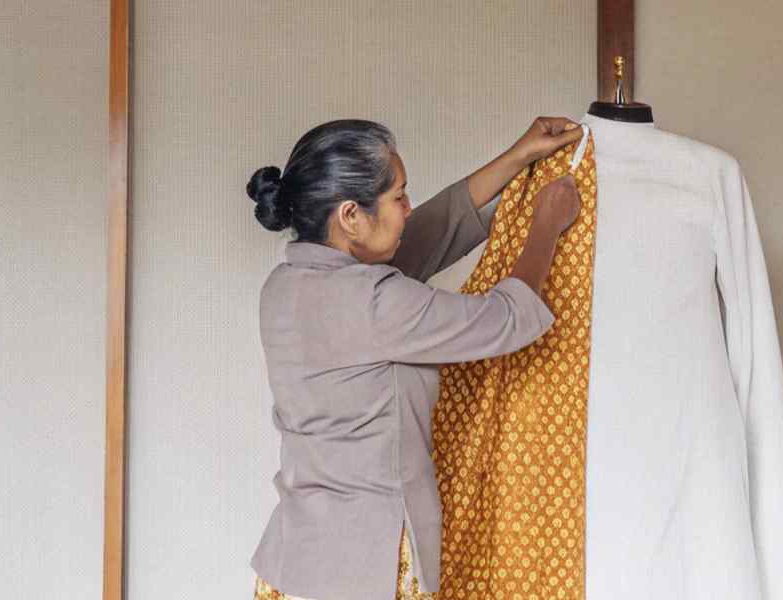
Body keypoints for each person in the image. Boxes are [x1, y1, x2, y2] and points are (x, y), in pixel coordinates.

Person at [243, 117, 583, 600]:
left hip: (293, 562)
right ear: (350, 216)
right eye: (399, 196)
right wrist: (546, 225)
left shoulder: (284, 286)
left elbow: (428, 233)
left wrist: (517, 156)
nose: (408, 209)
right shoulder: (374, 301)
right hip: (368, 571)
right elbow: (508, 319)